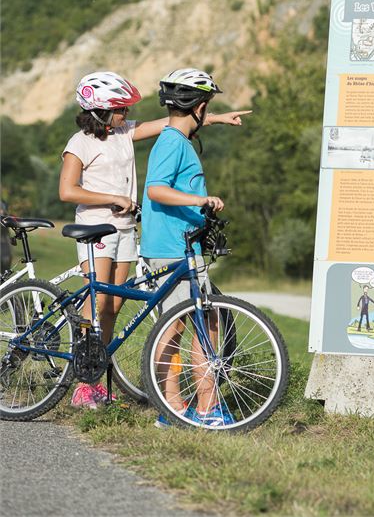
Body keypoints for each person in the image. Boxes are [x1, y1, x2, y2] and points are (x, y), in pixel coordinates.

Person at [59, 69, 248, 410]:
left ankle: (99, 375)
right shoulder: (80, 143)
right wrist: (112, 198)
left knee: (114, 305)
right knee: (98, 302)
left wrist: (216, 117)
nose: (127, 115)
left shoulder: (121, 133)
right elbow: (67, 190)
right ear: (100, 110)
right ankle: (83, 383)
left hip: (127, 229)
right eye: (120, 110)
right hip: (96, 227)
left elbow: (173, 120)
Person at [140, 67, 247, 428]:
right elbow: (156, 189)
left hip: (177, 245)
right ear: (199, 106)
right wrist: (202, 200)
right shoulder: (172, 143)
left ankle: (174, 405)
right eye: (208, 105)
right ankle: (202, 408)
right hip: (172, 247)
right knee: (196, 324)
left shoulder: (174, 139)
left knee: (187, 323)